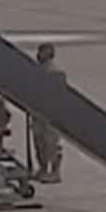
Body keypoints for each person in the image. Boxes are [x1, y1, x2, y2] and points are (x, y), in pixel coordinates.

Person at [30, 42, 65, 183]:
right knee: (39, 143)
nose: (38, 54)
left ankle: (55, 172)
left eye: (41, 52)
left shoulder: (55, 72)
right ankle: (43, 169)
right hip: (39, 113)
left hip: (49, 114)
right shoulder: (36, 71)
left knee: (50, 144)